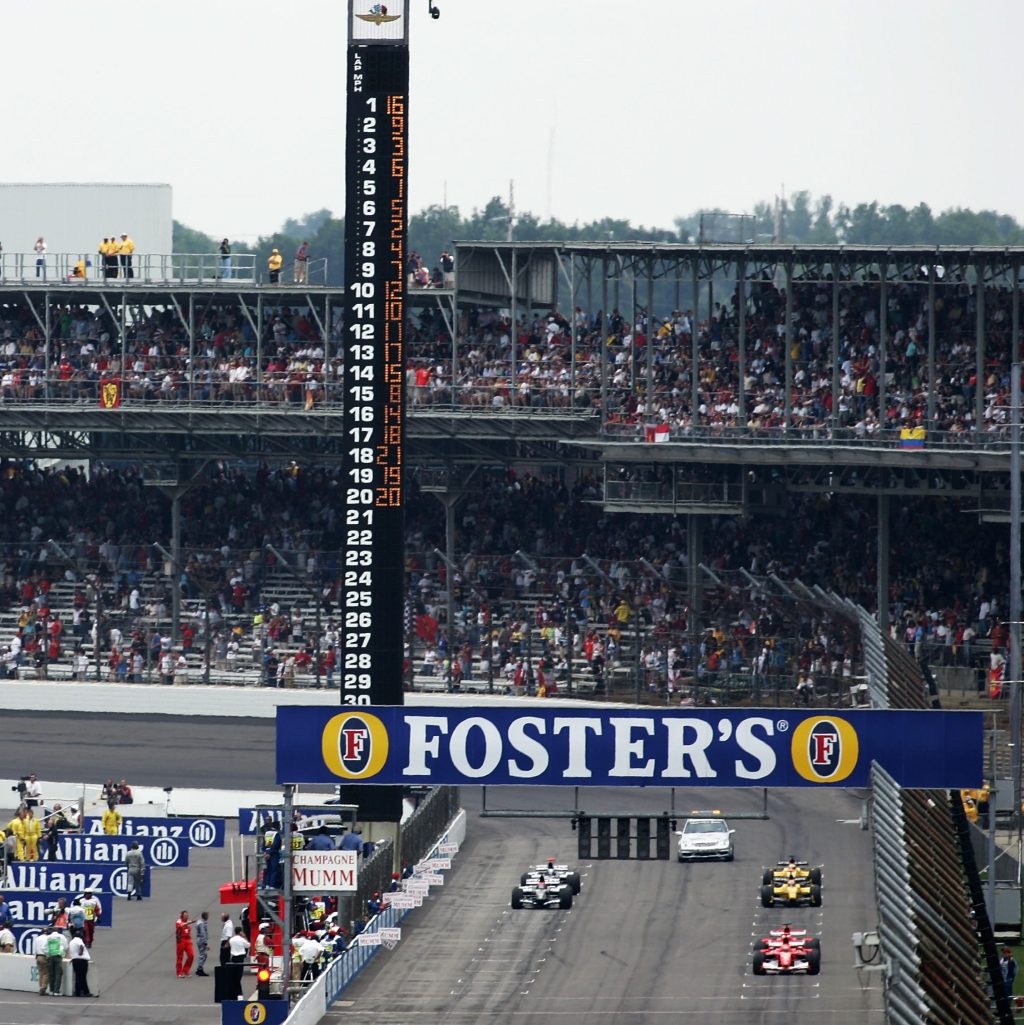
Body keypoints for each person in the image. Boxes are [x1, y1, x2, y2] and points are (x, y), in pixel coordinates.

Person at [68, 929, 92, 997]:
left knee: (78, 976)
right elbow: (81, 945)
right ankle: (85, 992)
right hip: (81, 960)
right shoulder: (78, 940)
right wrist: (81, 952)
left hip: (75, 960)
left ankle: (77, 991)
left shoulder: (71, 942)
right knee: (82, 976)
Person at [46, 925, 67, 995]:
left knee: (51, 973)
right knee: (58, 973)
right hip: (58, 956)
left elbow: (44, 947)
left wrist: (47, 954)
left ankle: (51, 990)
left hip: (50, 956)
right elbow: (66, 946)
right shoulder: (61, 937)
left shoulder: (48, 937)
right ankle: (56, 991)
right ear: (57, 930)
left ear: (52, 931)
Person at [175, 910, 194, 977]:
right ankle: (179, 972)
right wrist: (188, 923)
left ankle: (186, 970)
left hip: (188, 940)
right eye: (185, 915)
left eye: (187, 915)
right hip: (181, 940)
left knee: (191, 955)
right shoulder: (179, 921)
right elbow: (180, 926)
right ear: (182, 916)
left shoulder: (188, 922)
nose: (186, 916)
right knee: (180, 957)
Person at [33, 928, 51, 994]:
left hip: (38, 956)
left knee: (41, 973)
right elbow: (47, 948)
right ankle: (43, 988)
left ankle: (41, 987)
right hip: (44, 956)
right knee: (46, 973)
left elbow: (34, 948)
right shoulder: (48, 938)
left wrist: (36, 956)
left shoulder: (37, 938)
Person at [195, 911, 209, 976]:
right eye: (207, 915)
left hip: (199, 940)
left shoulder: (200, 922)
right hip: (201, 940)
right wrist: (205, 943)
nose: (208, 917)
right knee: (203, 955)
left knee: (203, 955)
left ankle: (199, 968)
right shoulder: (202, 924)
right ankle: (199, 969)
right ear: (205, 916)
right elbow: (203, 933)